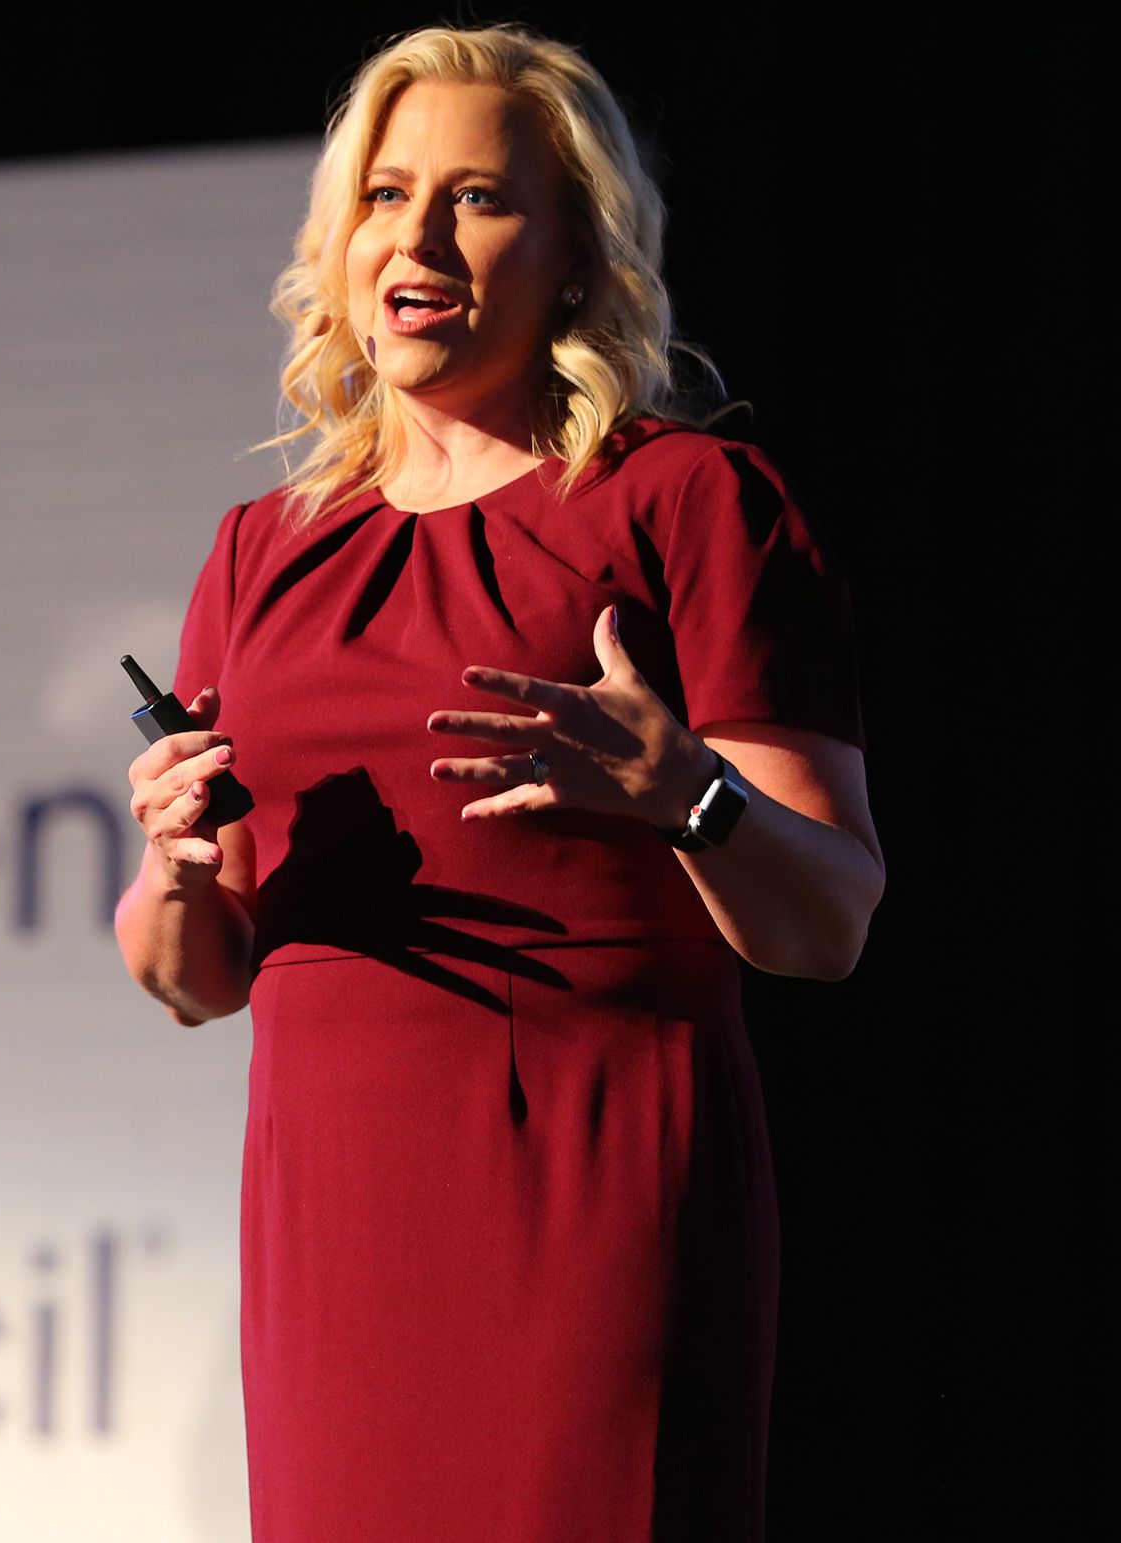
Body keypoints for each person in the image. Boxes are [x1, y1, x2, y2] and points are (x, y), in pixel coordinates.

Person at [112, 23, 884, 1543]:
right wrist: (180, 877)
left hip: (592, 1197)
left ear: (579, 253)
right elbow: (193, 980)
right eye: (388, 195)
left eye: (477, 198)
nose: (417, 234)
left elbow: (832, 919)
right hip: (337, 1221)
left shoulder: (685, 502)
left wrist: (690, 804)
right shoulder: (260, 553)